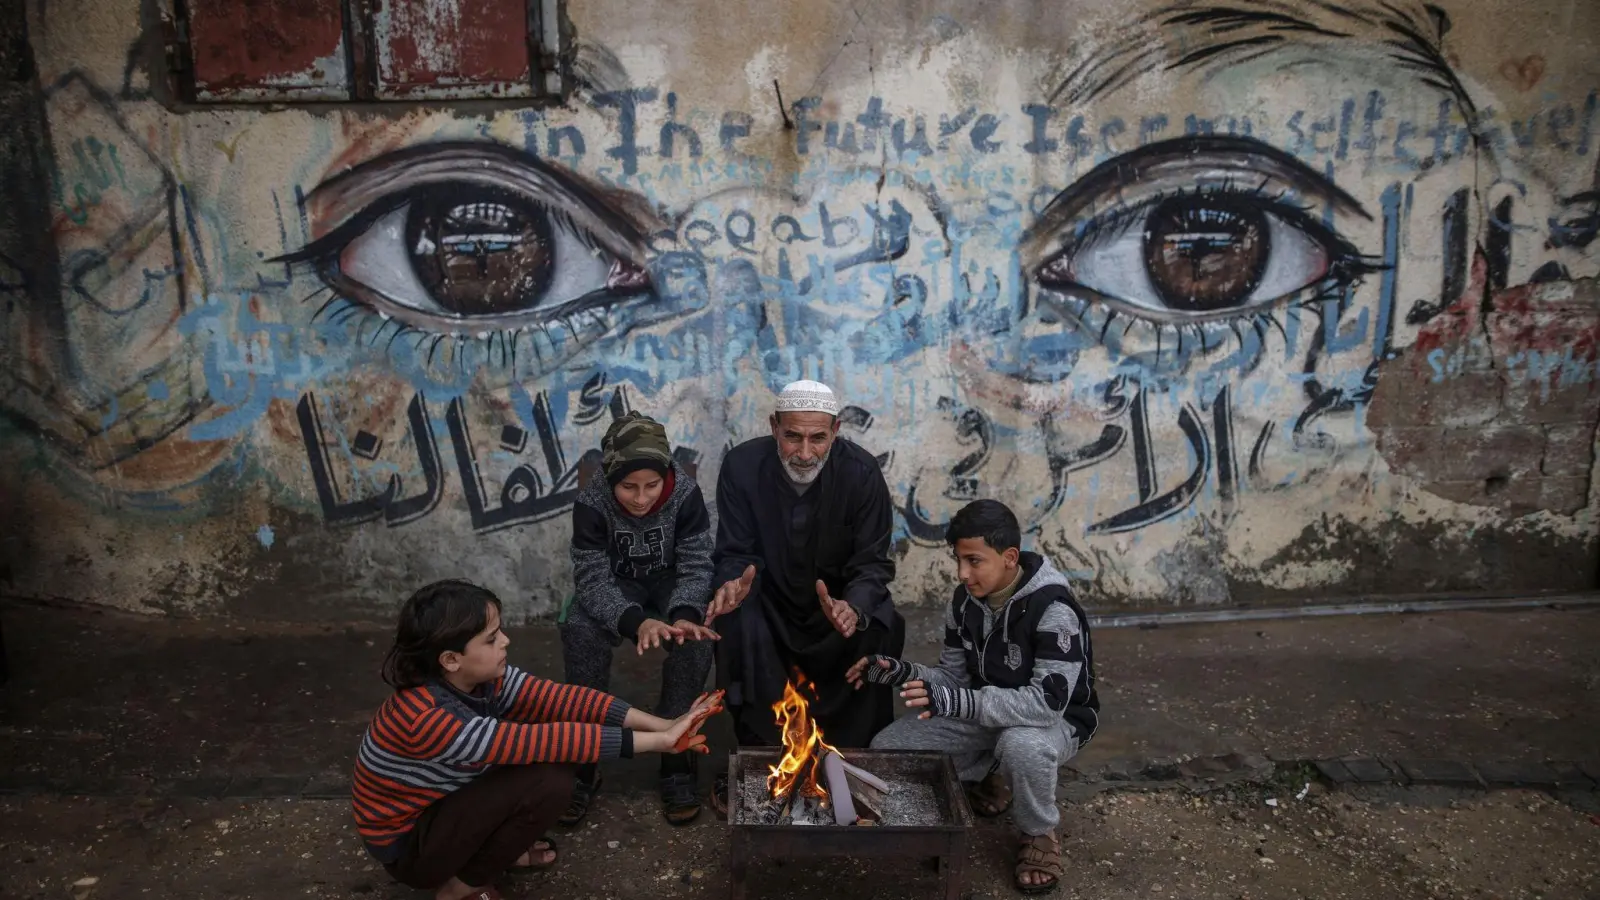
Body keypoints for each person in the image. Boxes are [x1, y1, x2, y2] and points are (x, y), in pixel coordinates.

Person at [353, 579, 721, 900]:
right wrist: (661, 743)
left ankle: (494, 854)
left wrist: (664, 725)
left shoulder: (478, 679)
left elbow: (564, 700)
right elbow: (551, 740)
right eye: (492, 639)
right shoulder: (427, 717)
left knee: (547, 752)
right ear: (451, 659)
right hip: (411, 851)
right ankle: (460, 887)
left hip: (443, 809)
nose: (506, 642)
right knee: (550, 779)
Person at [850, 499, 1099, 895]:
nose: (963, 574)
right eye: (958, 561)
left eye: (974, 561)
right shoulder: (963, 602)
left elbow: (1045, 703)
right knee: (890, 748)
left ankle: (1039, 833)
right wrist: (902, 671)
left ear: (1009, 557)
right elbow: (952, 678)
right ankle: (991, 775)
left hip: (1055, 720)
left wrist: (959, 703)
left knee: (1021, 745)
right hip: (986, 710)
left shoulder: (1053, 608)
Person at [705, 379, 905, 815]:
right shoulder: (742, 466)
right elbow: (734, 551)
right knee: (736, 622)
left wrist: (853, 606)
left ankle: (853, 758)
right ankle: (759, 758)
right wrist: (732, 585)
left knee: (882, 623)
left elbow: (872, 563)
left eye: (818, 438)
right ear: (774, 427)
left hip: (834, 607)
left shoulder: (861, 473)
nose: (805, 452)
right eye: (792, 436)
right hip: (769, 598)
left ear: (835, 430)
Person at [559, 411, 719, 825]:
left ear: (666, 476)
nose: (641, 497)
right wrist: (635, 622)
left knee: (698, 636)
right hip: (617, 585)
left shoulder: (685, 494)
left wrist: (684, 615)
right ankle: (583, 756)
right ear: (612, 479)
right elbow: (592, 579)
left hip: (670, 585)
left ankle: (675, 749)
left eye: (651, 485)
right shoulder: (591, 502)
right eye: (629, 486)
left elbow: (697, 565)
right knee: (579, 628)